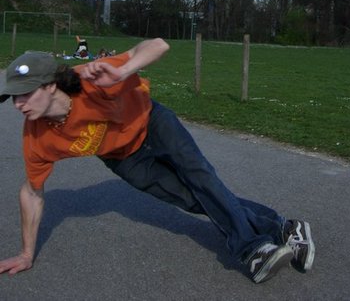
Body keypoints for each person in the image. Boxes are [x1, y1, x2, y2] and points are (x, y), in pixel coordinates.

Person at [0, 39, 315, 284]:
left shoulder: (90, 78)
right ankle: (285, 227)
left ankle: (252, 250)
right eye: (13, 98)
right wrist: (26, 253)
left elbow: (158, 45)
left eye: (25, 94)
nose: (18, 104)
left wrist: (123, 70)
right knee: (192, 199)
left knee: (202, 179)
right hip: (124, 158)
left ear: (51, 85)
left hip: (153, 122)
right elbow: (31, 192)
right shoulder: (37, 137)